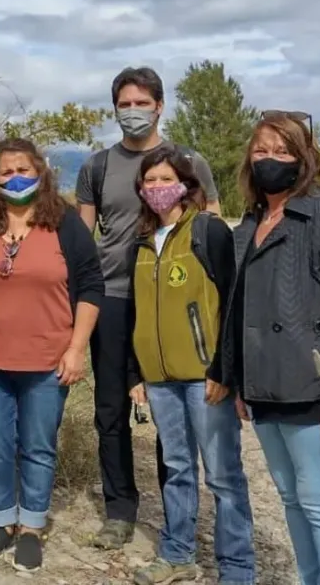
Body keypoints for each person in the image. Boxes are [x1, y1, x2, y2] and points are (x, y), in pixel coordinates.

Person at [213, 112, 320, 585]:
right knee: (291, 498)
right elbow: (239, 309)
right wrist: (239, 380)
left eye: (282, 150)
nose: (270, 159)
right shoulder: (250, 223)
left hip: (315, 392)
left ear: (304, 157)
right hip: (265, 392)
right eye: (261, 150)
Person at [75, 67, 220, 548]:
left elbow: (213, 235)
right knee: (111, 408)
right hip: (113, 299)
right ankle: (119, 510)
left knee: (174, 408)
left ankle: (178, 513)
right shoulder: (97, 166)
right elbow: (81, 240)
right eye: (124, 103)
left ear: (160, 105)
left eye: (141, 102)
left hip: (173, 302)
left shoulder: (188, 161)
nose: (131, 111)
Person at [0, 138, 103, 572]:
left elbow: (90, 286)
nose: (16, 178)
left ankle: (31, 528)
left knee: (37, 445)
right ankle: (0, 523)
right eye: (5, 172)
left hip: (48, 361)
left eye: (24, 170)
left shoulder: (66, 223)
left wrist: (76, 349)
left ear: (41, 174)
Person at [124, 144, 255, 585]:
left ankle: (237, 568)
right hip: (159, 381)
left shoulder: (208, 232)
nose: (157, 187)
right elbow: (134, 315)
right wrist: (135, 374)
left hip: (206, 379)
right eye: (150, 181)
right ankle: (178, 554)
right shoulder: (140, 245)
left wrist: (224, 370)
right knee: (177, 470)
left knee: (222, 475)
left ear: (184, 185)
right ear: (141, 189)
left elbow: (233, 305)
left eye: (165, 179)